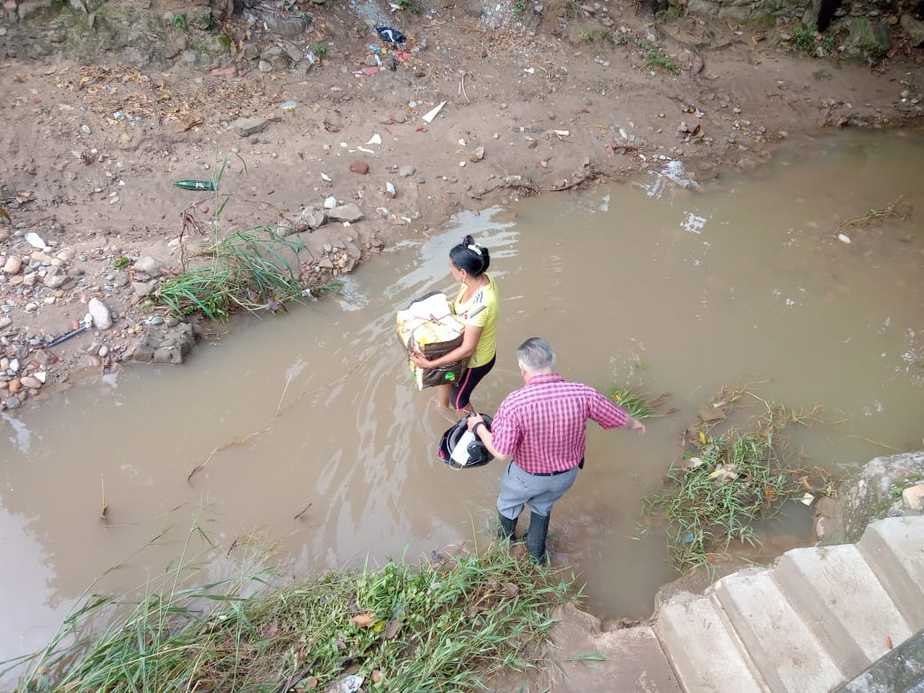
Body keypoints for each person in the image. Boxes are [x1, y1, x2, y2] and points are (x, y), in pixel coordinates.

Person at [467, 337, 646, 563]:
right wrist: (635, 424)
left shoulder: (515, 403)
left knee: (508, 504)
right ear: (553, 361)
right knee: (542, 508)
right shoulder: (583, 393)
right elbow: (616, 417)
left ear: (522, 369)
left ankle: (505, 542)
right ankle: (537, 558)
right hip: (565, 476)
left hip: (526, 477)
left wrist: (479, 427)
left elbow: (501, 451)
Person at [411, 235, 498, 413]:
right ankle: (441, 409)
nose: (450, 270)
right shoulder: (475, 278)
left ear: (463, 272)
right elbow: (458, 307)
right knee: (445, 379)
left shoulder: (482, 305)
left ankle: (475, 431)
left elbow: (467, 349)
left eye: (452, 266)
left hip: (476, 360)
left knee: (458, 400)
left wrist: (431, 365)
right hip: (462, 350)